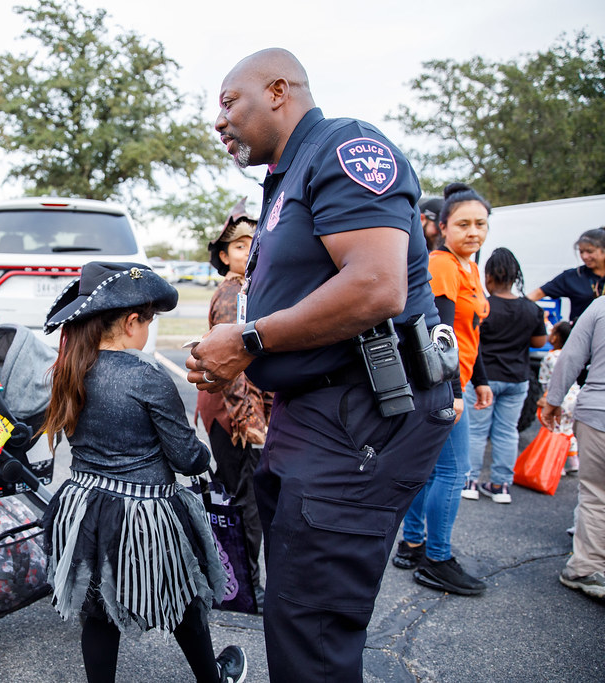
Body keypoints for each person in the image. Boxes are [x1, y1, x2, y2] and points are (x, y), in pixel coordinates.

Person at [186, 49, 455, 682]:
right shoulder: (286, 176)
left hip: (362, 418)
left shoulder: (346, 147)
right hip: (311, 416)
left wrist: (247, 342)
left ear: (278, 90)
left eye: (229, 103)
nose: (218, 123)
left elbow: (376, 287)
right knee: (290, 610)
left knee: (314, 630)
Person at [41, 261, 247, 683]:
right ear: (132, 321)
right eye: (149, 321)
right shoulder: (146, 377)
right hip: (144, 515)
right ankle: (213, 678)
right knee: (183, 594)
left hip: (85, 508)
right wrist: (207, 459)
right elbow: (186, 457)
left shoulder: (71, 368)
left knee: (97, 610)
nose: (149, 330)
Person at [394, 183, 492, 595]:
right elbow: (440, 333)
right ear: (443, 227)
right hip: (440, 385)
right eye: (464, 224)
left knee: (433, 471)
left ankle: (412, 543)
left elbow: (470, 331)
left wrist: (481, 380)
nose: (473, 232)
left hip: (458, 382)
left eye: (481, 224)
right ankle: (437, 558)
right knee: (454, 472)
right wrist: (452, 391)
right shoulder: (445, 264)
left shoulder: (469, 266)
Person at [196, 196, 268, 606]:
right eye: (240, 246)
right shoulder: (231, 293)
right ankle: (244, 587)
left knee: (240, 498)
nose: (248, 250)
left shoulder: (250, 287)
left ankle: (233, 578)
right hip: (234, 413)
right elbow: (230, 366)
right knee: (246, 503)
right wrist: (251, 423)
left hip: (241, 410)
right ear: (224, 255)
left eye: (253, 243)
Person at [462, 248, 547, 503]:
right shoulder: (531, 309)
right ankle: (501, 486)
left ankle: (470, 480)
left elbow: (471, 338)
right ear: (515, 276)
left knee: (476, 431)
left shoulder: (483, 307)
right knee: (507, 432)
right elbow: (540, 341)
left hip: (484, 379)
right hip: (518, 378)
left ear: (488, 276)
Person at [542, 296, 605, 600]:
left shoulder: (600, 307)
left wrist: (553, 401)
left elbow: (571, 357)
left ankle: (586, 568)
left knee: (595, 494)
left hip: (598, 413)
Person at [528, 227, 605, 323]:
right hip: (581, 335)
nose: (584, 256)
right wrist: (533, 311)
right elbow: (535, 294)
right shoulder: (573, 276)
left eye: (590, 251)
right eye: (581, 252)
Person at [541, 321, 580, 476]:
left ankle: (559, 466)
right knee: (569, 431)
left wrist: (546, 398)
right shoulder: (572, 355)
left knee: (556, 431)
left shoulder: (550, 357)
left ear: (556, 338)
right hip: (574, 397)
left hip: (559, 398)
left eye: (552, 333)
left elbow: (545, 382)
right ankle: (574, 462)